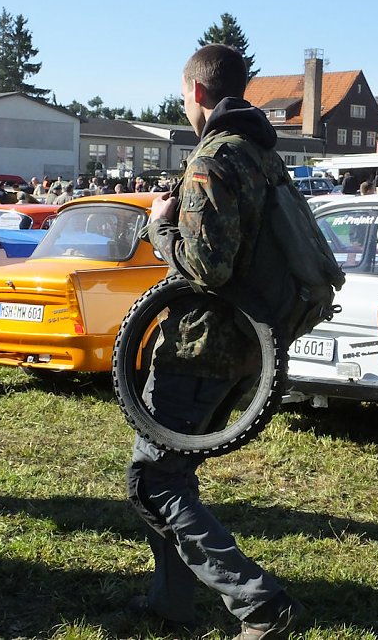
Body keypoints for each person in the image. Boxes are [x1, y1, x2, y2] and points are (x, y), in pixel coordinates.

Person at [126, 44, 303, 640]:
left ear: (197, 94)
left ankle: (259, 604)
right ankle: (171, 603)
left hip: (199, 348)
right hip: (244, 351)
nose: (184, 104)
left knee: (156, 481)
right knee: (172, 476)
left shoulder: (214, 157)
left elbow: (208, 266)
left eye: (182, 96)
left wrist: (160, 226)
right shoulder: (261, 152)